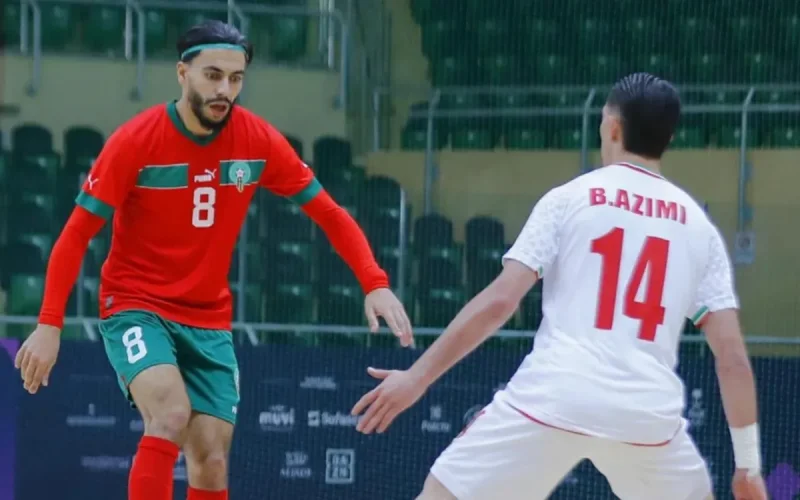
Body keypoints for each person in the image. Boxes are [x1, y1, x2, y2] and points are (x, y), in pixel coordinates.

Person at [14, 20, 413, 500]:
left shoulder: (257, 140)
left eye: (236, 78)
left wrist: (374, 281)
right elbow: (76, 235)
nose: (225, 89)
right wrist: (49, 323)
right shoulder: (136, 141)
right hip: (136, 305)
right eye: (213, 75)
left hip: (209, 318)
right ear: (182, 74)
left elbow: (328, 212)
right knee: (169, 414)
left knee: (211, 460)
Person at [351, 73, 767, 500]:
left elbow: (500, 302)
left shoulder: (571, 198)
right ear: (669, 137)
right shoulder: (699, 228)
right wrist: (749, 466)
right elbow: (732, 358)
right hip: (646, 417)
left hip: (553, 396)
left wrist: (417, 378)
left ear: (611, 127)